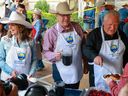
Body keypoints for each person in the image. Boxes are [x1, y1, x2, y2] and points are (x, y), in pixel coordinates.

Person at [83, 10, 128, 92]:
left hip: (117, 77)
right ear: (103, 22)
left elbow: (126, 54)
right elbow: (86, 48)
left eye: (116, 25)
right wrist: (94, 56)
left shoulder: (122, 35)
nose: (113, 28)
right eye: (110, 25)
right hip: (99, 76)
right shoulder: (94, 34)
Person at [43, 1, 84, 89]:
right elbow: (46, 51)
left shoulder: (77, 27)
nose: (66, 18)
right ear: (57, 16)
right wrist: (54, 55)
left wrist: (86, 64)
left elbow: (83, 46)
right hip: (59, 72)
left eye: (68, 15)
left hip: (76, 70)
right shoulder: (51, 32)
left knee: (74, 92)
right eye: (62, 15)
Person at [0, 11, 37, 80]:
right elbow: (0, 59)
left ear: (21, 27)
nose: (10, 27)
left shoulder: (31, 42)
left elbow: (34, 60)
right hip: (8, 77)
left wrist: (31, 73)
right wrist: (11, 71)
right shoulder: (4, 40)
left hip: (25, 78)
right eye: (9, 24)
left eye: (13, 24)